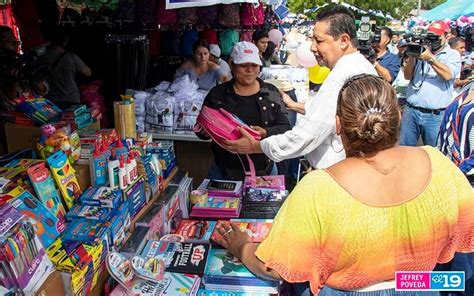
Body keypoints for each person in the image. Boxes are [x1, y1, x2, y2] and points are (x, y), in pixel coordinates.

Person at [214, 74, 474, 296]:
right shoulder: (439, 165)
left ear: (338, 125)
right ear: (399, 116)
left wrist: (240, 245)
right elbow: (463, 247)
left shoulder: (319, 188)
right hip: (420, 287)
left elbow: (274, 267)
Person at [221, 5, 377, 170]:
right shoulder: (361, 66)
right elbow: (328, 111)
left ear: (343, 40)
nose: (312, 47)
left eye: (319, 40)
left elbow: (308, 135)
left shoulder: (342, 76)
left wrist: (256, 146)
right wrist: (294, 105)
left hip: (339, 173)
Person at [196, 41, 290, 180]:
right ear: (232, 65)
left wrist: (265, 132)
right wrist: (205, 131)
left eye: (254, 65)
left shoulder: (271, 92)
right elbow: (202, 131)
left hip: (264, 171)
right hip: (223, 171)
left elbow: (286, 128)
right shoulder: (217, 94)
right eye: (243, 65)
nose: (249, 70)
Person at [437, 83, 474, 296]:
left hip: (466, 191)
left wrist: (452, 172)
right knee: (443, 259)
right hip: (447, 190)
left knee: (463, 263)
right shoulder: (468, 87)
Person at [400, 21, 461, 147]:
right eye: (430, 37)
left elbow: (448, 75)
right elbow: (407, 76)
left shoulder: (452, 55)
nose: (432, 41)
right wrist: (412, 55)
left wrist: (431, 59)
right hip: (412, 111)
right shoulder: (422, 51)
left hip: (435, 116)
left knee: (434, 153)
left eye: (435, 37)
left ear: (446, 36)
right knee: (404, 149)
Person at [42, 30, 91, 109]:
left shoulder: (43, 57)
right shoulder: (71, 57)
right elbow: (88, 72)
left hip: (51, 100)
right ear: (65, 42)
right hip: (72, 98)